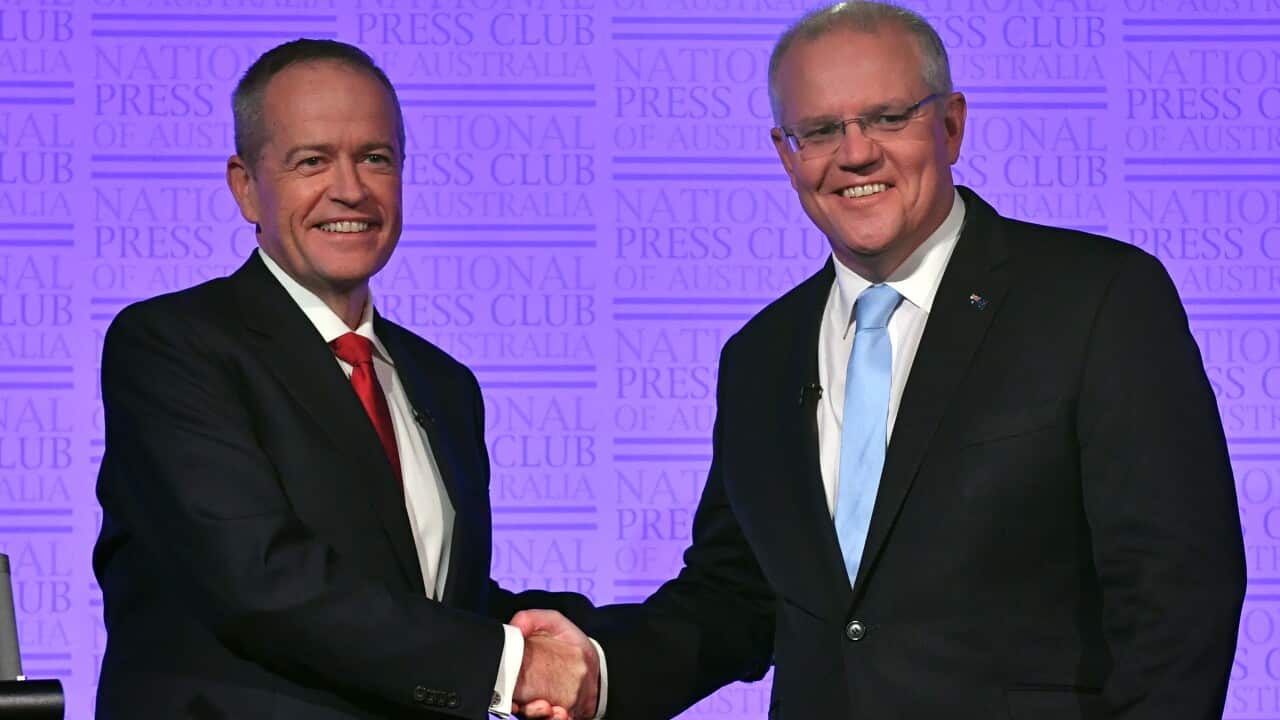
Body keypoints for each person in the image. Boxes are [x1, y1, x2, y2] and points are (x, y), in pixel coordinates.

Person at [515, 2, 1247, 718]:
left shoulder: (1096, 298)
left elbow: (1178, 593)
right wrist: (600, 669)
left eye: (889, 117)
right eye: (821, 130)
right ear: (786, 153)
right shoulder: (758, 357)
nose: (856, 152)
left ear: (951, 125)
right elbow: (736, 596)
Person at [92, 39, 602, 720]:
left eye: (375, 158)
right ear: (246, 186)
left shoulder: (443, 384)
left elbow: (424, 600)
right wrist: (514, 665)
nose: (351, 188)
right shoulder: (172, 346)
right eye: (312, 161)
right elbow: (261, 580)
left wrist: (587, 651)